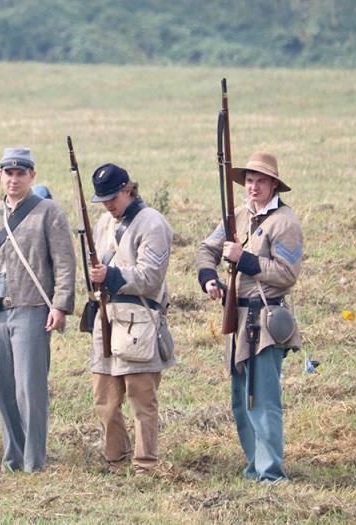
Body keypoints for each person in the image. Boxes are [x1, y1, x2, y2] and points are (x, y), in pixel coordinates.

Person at [0, 147, 76, 472]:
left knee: (30, 389)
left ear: (31, 176)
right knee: (5, 389)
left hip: (31, 308)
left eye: (20, 173)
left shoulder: (48, 212)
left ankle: (33, 460)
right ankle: (13, 457)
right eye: (8, 173)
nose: (14, 179)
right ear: (1, 175)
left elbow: (65, 263)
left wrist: (60, 305)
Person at [195, 151, 303, 481]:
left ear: (274, 185)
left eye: (261, 181)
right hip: (237, 319)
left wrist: (245, 260)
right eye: (250, 181)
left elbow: (287, 274)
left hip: (265, 321)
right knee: (241, 402)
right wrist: (208, 278)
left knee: (263, 401)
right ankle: (254, 464)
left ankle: (270, 472)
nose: (253, 187)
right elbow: (206, 249)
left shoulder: (286, 223)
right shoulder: (238, 215)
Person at [84, 163, 175, 473]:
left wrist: (109, 275)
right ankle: (115, 455)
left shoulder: (153, 223)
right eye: (104, 199)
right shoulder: (102, 224)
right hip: (106, 317)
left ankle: (145, 463)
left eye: (113, 197)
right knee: (104, 399)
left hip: (140, 319)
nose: (109, 205)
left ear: (128, 189)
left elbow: (150, 277)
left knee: (141, 399)